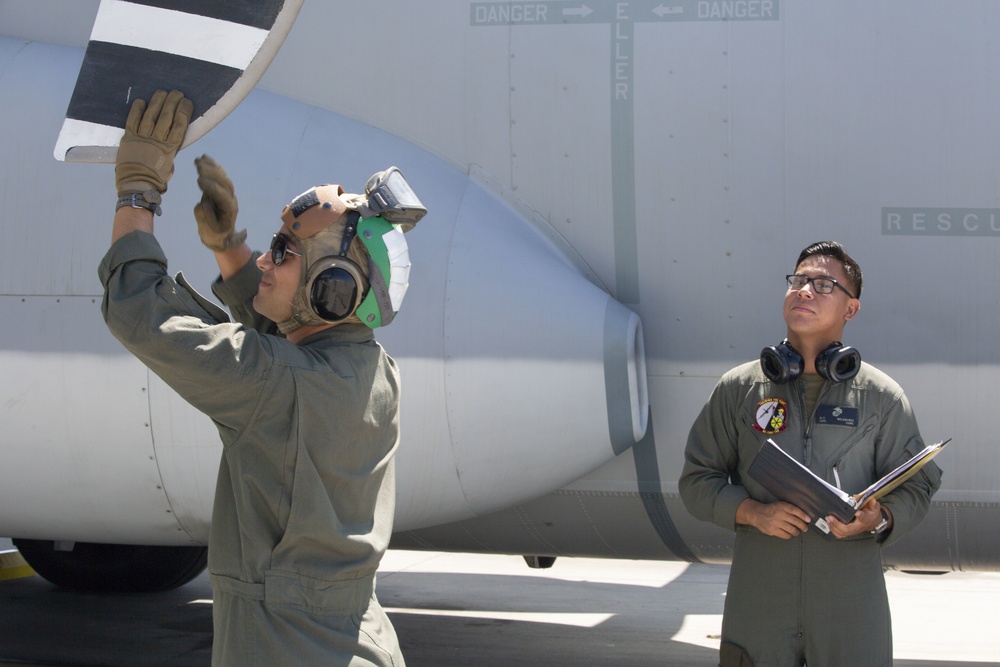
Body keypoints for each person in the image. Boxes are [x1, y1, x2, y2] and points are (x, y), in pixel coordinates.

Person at [100, 90, 423, 665]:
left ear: (333, 289)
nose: (266, 262)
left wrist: (137, 190)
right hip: (357, 643)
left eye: (284, 252)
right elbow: (288, 339)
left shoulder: (278, 386)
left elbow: (139, 311)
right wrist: (230, 250)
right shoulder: (373, 372)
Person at [679, 240, 942, 667]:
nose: (804, 291)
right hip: (760, 608)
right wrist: (752, 512)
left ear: (850, 310)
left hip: (850, 615)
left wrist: (880, 518)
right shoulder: (740, 389)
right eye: (798, 281)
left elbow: (918, 487)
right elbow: (696, 481)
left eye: (823, 285)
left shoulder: (881, 397)